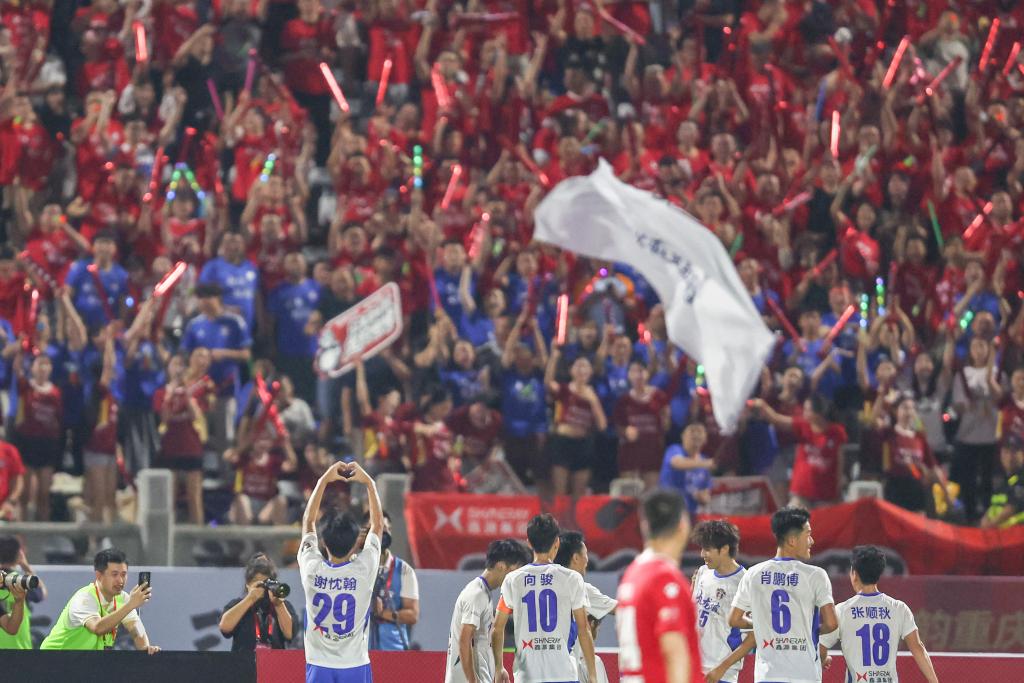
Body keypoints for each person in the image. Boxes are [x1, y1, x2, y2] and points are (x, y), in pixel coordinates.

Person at [728, 507, 838, 683]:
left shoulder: (753, 574)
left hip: (767, 675)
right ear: (792, 540)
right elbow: (831, 623)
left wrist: (763, 626)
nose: (812, 541)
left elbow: (734, 619)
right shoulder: (815, 575)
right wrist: (810, 631)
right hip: (805, 675)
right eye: (808, 535)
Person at [299, 460, 383, 683]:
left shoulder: (311, 568)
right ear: (356, 542)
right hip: (354, 665)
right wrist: (370, 483)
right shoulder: (363, 569)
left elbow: (308, 522)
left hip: (319, 665)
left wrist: (323, 480)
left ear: (323, 542)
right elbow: (377, 527)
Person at [492, 513, 596, 683]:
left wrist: (499, 668)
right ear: (557, 542)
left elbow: (497, 628)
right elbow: (584, 629)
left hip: (527, 676)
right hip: (563, 674)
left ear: (529, 543)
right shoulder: (572, 579)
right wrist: (592, 675)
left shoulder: (513, 580)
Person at [615, 489, 702, 683]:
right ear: (683, 524)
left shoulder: (632, 573)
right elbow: (675, 655)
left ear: (644, 525)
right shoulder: (665, 579)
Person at [818, 546, 940, 683]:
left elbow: (821, 647)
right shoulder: (899, 608)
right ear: (879, 573)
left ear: (854, 574)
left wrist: (824, 658)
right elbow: (918, 648)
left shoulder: (842, 610)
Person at [40, 548, 159, 653]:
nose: (120, 580)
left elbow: (136, 630)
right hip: (53, 659)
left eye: (123, 574)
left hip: (82, 662)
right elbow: (97, 628)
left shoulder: (124, 599)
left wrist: (146, 648)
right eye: (114, 574)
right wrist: (130, 605)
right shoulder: (84, 598)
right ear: (99, 575)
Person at [444, 539, 530, 683]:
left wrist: (498, 669)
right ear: (501, 566)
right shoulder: (476, 594)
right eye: (515, 571)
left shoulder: (484, 593)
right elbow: (464, 641)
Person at [690, 521, 754, 683]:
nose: (702, 554)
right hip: (694, 665)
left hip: (719, 673)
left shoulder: (744, 583)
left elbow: (754, 636)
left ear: (724, 549)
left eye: (707, 549)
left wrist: (721, 668)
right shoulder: (703, 572)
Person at [554, 531, 617, 683]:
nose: (587, 560)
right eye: (586, 554)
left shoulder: (543, 586)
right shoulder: (581, 588)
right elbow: (621, 610)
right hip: (569, 671)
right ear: (576, 558)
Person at [219, 551, 298, 651]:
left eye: (266, 583)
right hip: (244, 659)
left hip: (275, 660)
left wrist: (278, 605)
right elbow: (225, 627)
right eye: (258, 583)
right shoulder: (237, 604)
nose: (263, 588)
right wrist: (250, 598)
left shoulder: (282, 605)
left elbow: (289, 634)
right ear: (248, 584)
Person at [367, 511, 420, 651]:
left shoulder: (404, 570)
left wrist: (383, 613)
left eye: (386, 529)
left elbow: (412, 615)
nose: (382, 534)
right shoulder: (355, 566)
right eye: (378, 529)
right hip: (360, 651)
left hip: (393, 650)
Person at [0, 535, 47, 649]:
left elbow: (11, 628)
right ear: (19, 555)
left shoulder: (16, 581)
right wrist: (26, 566)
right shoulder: (21, 582)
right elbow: (41, 593)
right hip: (19, 648)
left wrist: (19, 600)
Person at [658, 423, 714, 515]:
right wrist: (704, 463)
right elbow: (677, 462)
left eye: (700, 431)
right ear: (683, 436)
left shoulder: (705, 462)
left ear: (705, 438)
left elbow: (706, 493)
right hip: (670, 511)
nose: (696, 434)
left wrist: (703, 498)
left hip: (691, 513)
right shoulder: (674, 450)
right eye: (692, 431)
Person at [981, 440, 1024, 528]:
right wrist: (985, 520)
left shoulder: (1021, 480)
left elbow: (1012, 508)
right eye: (1006, 452)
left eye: (1014, 452)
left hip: (1016, 532)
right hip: (997, 533)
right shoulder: (1003, 482)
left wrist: (990, 525)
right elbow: (994, 506)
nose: (1010, 457)